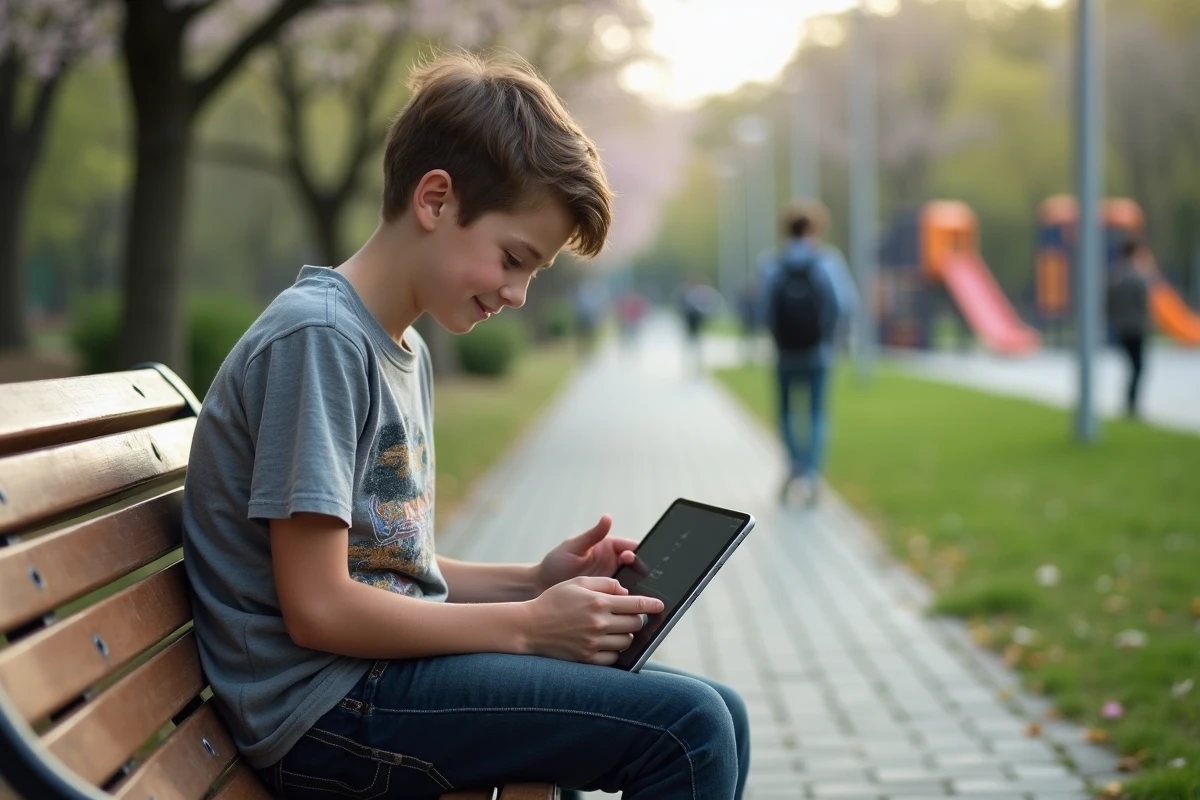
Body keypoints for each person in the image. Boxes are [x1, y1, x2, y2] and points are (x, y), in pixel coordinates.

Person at [181, 52, 749, 800]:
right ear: (436, 199)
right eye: (513, 259)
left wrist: (534, 584)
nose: (515, 294)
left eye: (532, 275)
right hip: (322, 712)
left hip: (372, 684)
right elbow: (319, 607)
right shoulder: (317, 341)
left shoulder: (399, 347)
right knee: (688, 729)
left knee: (722, 713)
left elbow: (385, 566)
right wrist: (527, 627)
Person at [760, 201, 856, 507]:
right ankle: (812, 475)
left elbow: (762, 309)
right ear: (816, 229)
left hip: (785, 352)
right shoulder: (827, 261)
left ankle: (794, 467)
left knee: (787, 411)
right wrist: (834, 336)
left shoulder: (773, 264)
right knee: (816, 413)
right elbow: (845, 304)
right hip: (819, 352)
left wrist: (774, 337)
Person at [1106, 238, 1152, 418]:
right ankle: (1131, 404)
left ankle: (1129, 403)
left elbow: (1109, 304)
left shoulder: (1115, 277)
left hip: (1122, 326)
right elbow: (1143, 303)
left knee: (1131, 367)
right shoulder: (1138, 277)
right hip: (1136, 327)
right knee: (1138, 367)